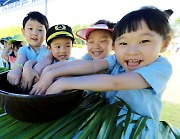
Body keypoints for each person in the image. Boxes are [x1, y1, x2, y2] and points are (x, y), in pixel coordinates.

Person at [31, 6, 172, 121]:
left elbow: (114, 83)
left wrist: (64, 83)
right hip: (107, 123)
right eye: (124, 43)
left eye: (144, 41)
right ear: (116, 46)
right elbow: (89, 65)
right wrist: (51, 72)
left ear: (164, 44)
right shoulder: (117, 58)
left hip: (138, 132)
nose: (132, 51)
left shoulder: (160, 67)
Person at [21, 24, 75, 89]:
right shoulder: (45, 61)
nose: (62, 51)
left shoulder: (73, 62)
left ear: (72, 46)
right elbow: (34, 62)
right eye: (58, 46)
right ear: (49, 48)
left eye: (67, 46)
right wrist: (28, 65)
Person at [7, 11, 49, 87]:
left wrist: (32, 71)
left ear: (46, 34)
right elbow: (20, 59)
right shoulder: (23, 50)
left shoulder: (48, 50)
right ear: (23, 32)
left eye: (40, 30)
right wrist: (17, 69)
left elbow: (47, 60)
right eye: (30, 28)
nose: (35, 33)